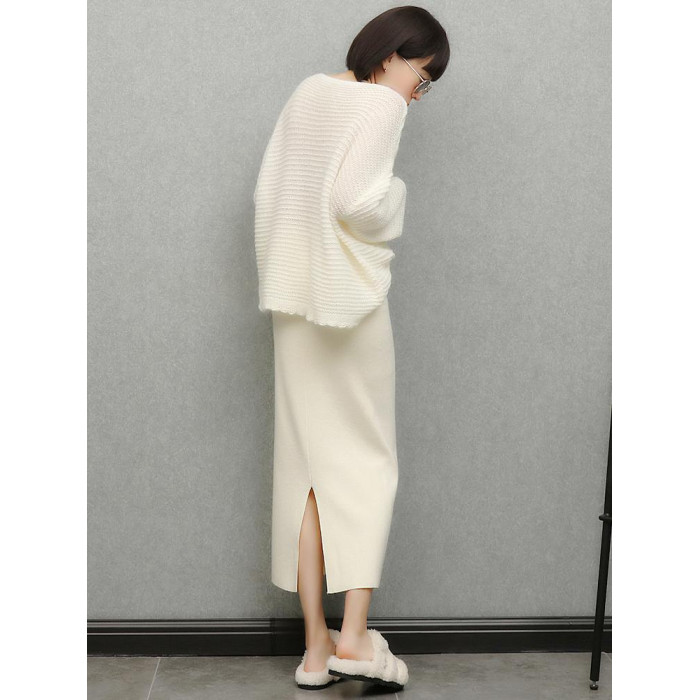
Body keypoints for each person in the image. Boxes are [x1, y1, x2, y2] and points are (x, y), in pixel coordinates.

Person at [253, 5, 449, 691]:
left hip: (293, 304)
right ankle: (358, 639)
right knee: (366, 462)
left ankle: (316, 651)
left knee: (304, 474)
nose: (417, 96)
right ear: (392, 54)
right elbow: (357, 202)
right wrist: (398, 194)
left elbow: (268, 193)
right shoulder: (379, 106)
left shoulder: (308, 92)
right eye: (423, 77)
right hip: (348, 308)